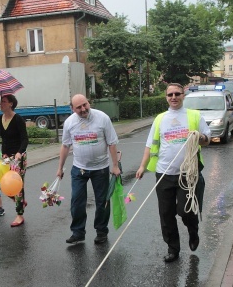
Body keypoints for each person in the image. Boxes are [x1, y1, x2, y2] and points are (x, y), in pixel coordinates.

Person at [135, 83, 211, 263]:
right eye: (170, 95)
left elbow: (207, 139)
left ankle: (193, 231)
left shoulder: (194, 116)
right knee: (166, 214)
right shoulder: (160, 119)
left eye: (177, 94)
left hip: (187, 174)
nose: (174, 97)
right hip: (164, 174)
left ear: (183, 95)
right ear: (166, 97)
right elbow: (150, 145)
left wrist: (199, 137)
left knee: (185, 210)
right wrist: (141, 167)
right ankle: (173, 248)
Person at [56, 94, 121, 245]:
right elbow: (65, 145)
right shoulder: (69, 123)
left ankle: (101, 232)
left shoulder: (102, 118)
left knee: (102, 202)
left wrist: (115, 166)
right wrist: (60, 168)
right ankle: (78, 232)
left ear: (88, 103)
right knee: (77, 201)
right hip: (79, 169)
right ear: (72, 109)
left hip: (101, 169)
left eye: (85, 104)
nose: (83, 109)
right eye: (78, 107)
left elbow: (111, 143)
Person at [0, 94, 28, 227]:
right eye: (0, 102)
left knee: (17, 185)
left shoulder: (18, 119)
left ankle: (19, 215)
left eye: (3, 102)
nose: (0, 104)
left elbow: (25, 139)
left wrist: (20, 152)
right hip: (6, 157)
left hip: (18, 157)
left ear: (11, 104)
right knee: (3, 183)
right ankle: (20, 201)